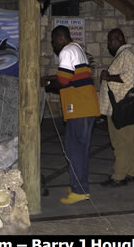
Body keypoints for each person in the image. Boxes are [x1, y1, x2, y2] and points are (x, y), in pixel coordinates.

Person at [41, 25, 100, 205]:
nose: (53, 44)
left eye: (53, 41)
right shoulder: (77, 48)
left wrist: (47, 83)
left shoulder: (66, 51)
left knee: (76, 150)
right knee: (78, 148)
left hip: (79, 109)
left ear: (60, 38)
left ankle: (79, 190)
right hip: (87, 107)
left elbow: (63, 81)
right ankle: (78, 185)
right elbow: (68, 76)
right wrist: (50, 78)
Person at [98, 28, 134, 188]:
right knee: (129, 140)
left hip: (120, 107)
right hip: (123, 107)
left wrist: (107, 76)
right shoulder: (126, 56)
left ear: (118, 39)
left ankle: (119, 175)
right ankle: (130, 171)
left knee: (120, 142)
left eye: (110, 40)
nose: (108, 44)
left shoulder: (127, 56)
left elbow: (128, 78)